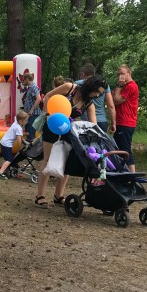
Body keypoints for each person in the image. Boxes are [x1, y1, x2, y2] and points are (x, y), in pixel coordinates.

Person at [34, 75, 107, 207]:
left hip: (68, 131)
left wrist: (97, 135)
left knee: (67, 162)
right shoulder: (69, 88)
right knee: (47, 159)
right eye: (97, 92)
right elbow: (48, 97)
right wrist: (48, 114)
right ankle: (40, 195)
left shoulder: (89, 104)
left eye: (100, 94)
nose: (97, 96)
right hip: (52, 125)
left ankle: (58, 195)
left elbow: (93, 124)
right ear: (91, 87)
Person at [76, 63, 116, 134]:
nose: (97, 95)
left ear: (83, 74)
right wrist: (113, 123)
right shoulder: (104, 85)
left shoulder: (77, 84)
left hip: (84, 121)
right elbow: (111, 106)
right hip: (101, 121)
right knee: (99, 144)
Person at [113, 64, 139, 172]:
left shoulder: (130, 86)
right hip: (121, 122)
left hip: (126, 122)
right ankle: (122, 172)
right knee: (117, 148)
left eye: (122, 74)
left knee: (125, 150)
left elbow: (116, 100)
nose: (120, 77)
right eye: (118, 74)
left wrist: (118, 86)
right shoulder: (126, 87)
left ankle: (132, 176)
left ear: (129, 73)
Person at [0, 110, 29, 179]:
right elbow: (19, 140)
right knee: (9, 160)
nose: (27, 122)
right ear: (20, 121)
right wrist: (21, 148)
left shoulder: (15, 123)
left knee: (8, 158)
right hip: (6, 144)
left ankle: (4, 169)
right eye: (25, 120)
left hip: (3, 142)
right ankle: (0, 172)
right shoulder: (19, 128)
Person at [21, 73, 42, 140]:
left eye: (24, 80)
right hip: (29, 114)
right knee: (28, 131)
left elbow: (38, 99)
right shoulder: (30, 87)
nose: (23, 81)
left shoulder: (34, 87)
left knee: (30, 132)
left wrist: (32, 110)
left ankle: (32, 148)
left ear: (27, 79)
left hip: (33, 114)